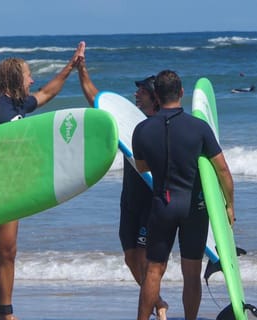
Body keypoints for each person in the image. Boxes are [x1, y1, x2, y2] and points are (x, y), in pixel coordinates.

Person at [0, 41, 86, 320]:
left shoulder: (19, 104)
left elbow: (47, 92)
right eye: (28, 75)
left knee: (8, 251)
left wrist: (71, 66)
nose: (32, 80)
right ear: (16, 77)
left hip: (11, 189)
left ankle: (5, 312)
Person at [132, 70, 236, 320]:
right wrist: (229, 205)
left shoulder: (141, 130)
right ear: (181, 92)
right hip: (193, 208)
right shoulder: (199, 128)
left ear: (157, 96)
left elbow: (142, 167)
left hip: (162, 205)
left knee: (154, 270)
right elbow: (223, 170)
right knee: (191, 273)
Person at [76, 58, 168, 319]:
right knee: (130, 257)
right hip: (129, 199)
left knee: (147, 259)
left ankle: (154, 308)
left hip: (151, 202)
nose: (136, 94)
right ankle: (158, 301)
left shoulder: (163, 126)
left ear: (154, 97)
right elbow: (97, 101)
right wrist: (82, 70)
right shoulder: (130, 122)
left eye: (142, 91)